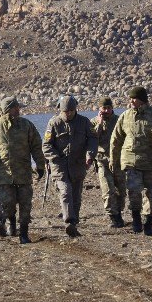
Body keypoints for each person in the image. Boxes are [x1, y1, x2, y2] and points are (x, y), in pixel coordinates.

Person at [0, 97, 46, 244]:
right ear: (7, 109)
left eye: (18, 107)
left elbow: (36, 146)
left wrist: (40, 165)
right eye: (14, 108)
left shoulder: (26, 125)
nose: (18, 110)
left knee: (25, 203)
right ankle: (11, 224)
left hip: (23, 172)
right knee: (8, 203)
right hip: (3, 174)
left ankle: (24, 233)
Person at [109, 86, 152, 236]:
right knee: (134, 191)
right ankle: (136, 219)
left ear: (142, 99)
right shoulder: (125, 116)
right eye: (130, 98)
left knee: (150, 192)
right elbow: (116, 139)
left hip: (150, 161)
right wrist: (113, 159)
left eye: (134, 98)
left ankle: (148, 222)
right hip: (131, 161)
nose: (131, 101)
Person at [43, 95, 97, 237]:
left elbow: (92, 139)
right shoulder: (53, 123)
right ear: (60, 110)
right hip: (59, 166)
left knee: (76, 196)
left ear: (75, 109)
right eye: (65, 111)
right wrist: (55, 157)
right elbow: (46, 145)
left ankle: (74, 223)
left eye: (71, 111)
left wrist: (90, 155)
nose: (68, 113)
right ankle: (69, 222)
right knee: (65, 192)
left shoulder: (84, 122)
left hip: (78, 165)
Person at [91, 96, 126, 229]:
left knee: (121, 191)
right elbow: (93, 139)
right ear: (99, 109)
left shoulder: (119, 120)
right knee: (107, 190)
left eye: (108, 108)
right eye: (103, 108)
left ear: (112, 108)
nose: (106, 111)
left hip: (119, 161)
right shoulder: (93, 122)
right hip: (102, 161)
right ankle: (113, 217)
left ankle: (119, 213)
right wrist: (99, 124)